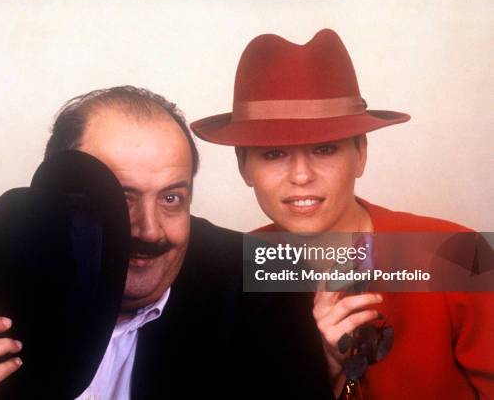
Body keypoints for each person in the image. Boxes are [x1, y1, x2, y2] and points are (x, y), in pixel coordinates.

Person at [0, 86, 333, 399]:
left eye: (172, 198)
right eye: (122, 199)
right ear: (59, 197)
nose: (150, 230)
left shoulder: (262, 279)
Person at [190, 30, 494, 399]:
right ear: (244, 167)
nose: (301, 176)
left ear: (361, 154)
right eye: (273, 154)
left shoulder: (462, 255)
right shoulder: (228, 275)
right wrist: (324, 367)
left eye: (324, 149)